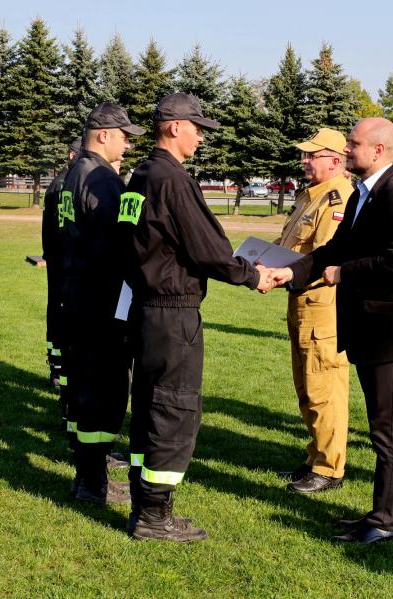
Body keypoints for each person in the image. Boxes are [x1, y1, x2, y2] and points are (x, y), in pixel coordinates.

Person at [268, 117, 393, 545]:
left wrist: (345, 273)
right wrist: (290, 272)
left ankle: (387, 521)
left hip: (389, 331)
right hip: (369, 326)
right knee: (381, 427)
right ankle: (381, 514)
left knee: (388, 431)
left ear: (378, 150)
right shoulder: (363, 194)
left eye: (354, 144)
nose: (347, 150)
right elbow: (335, 248)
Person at [122, 93, 272, 542]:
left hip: (144, 308)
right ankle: (154, 517)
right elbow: (209, 249)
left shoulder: (139, 176)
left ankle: (144, 506)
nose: (201, 137)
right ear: (174, 127)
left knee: (149, 406)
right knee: (174, 410)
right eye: (197, 128)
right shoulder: (173, 179)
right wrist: (252, 275)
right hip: (173, 314)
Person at [60, 103, 145, 506]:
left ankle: (85, 478)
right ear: (104, 134)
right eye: (124, 137)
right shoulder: (102, 179)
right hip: (102, 302)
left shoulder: (71, 174)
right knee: (105, 394)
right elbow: (118, 243)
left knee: (83, 392)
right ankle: (95, 483)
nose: (127, 146)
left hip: (77, 297)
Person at [275, 128, 354, 493]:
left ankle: (329, 468)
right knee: (306, 387)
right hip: (302, 301)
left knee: (324, 387)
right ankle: (315, 456)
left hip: (322, 304)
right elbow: (289, 244)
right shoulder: (311, 195)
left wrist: (280, 271)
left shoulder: (338, 199)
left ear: (335, 160)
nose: (304, 160)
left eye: (312, 155)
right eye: (305, 154)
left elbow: (323, 257)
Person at [43, 137, 81, 391]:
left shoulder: (65, 182)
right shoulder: (62, 184)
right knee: (59, 312)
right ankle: (57, 366)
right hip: (61, 260)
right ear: (71, 155)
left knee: (58, 311)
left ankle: (59, 365)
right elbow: (57, 227)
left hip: (60, 259)